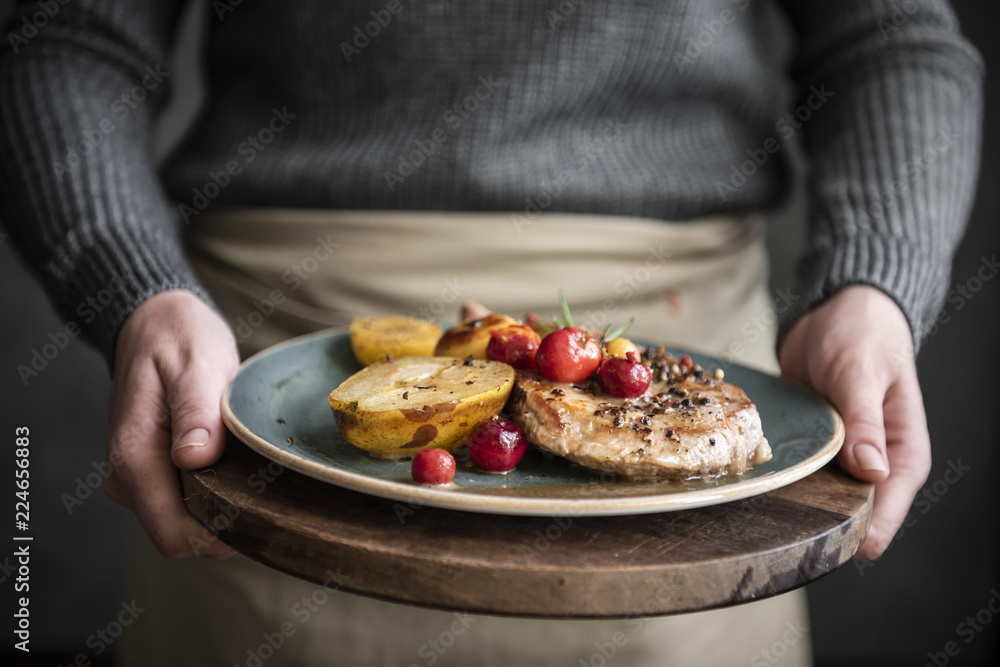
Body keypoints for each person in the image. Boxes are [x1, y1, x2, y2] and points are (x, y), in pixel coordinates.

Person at [0, 0, 983, 665]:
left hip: (687, 412)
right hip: (276, 376)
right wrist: (137, 292)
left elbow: (894, 38)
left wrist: (871, 286)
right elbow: (66, 40)